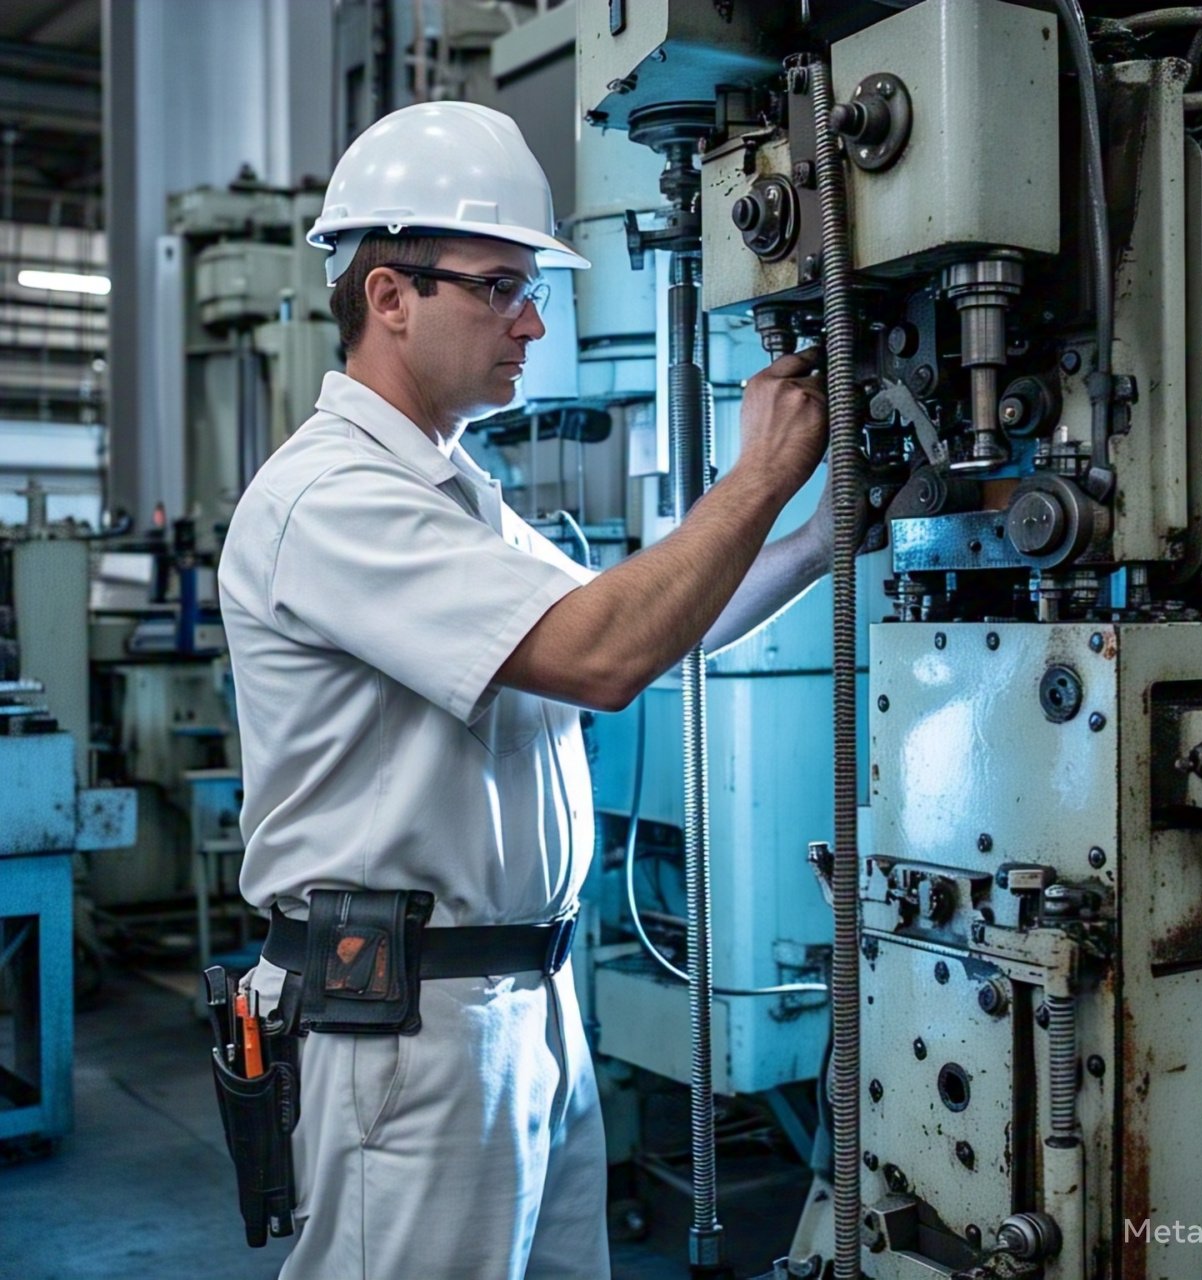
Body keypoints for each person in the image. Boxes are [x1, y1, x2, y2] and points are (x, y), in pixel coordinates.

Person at [218, 101, 849, 1280]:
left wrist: (818, 536)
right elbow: (599, 657)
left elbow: (652, 620)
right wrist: (756, 471)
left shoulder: (463, 492)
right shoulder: (333, 497)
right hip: (408, 1031)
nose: (532, 321)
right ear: (389, 296)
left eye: (531, 287)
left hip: (521, 1004)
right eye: (500, 285)